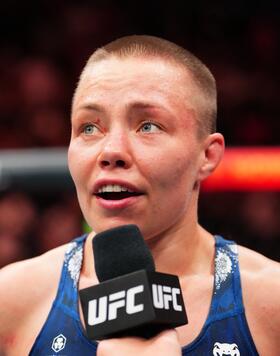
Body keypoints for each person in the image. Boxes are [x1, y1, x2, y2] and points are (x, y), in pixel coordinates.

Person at [0, 35, 279, 356]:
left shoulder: (271, 303)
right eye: (89, 127)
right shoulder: (12, 300)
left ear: (208, 155)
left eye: (148, 126)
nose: (111, 151)